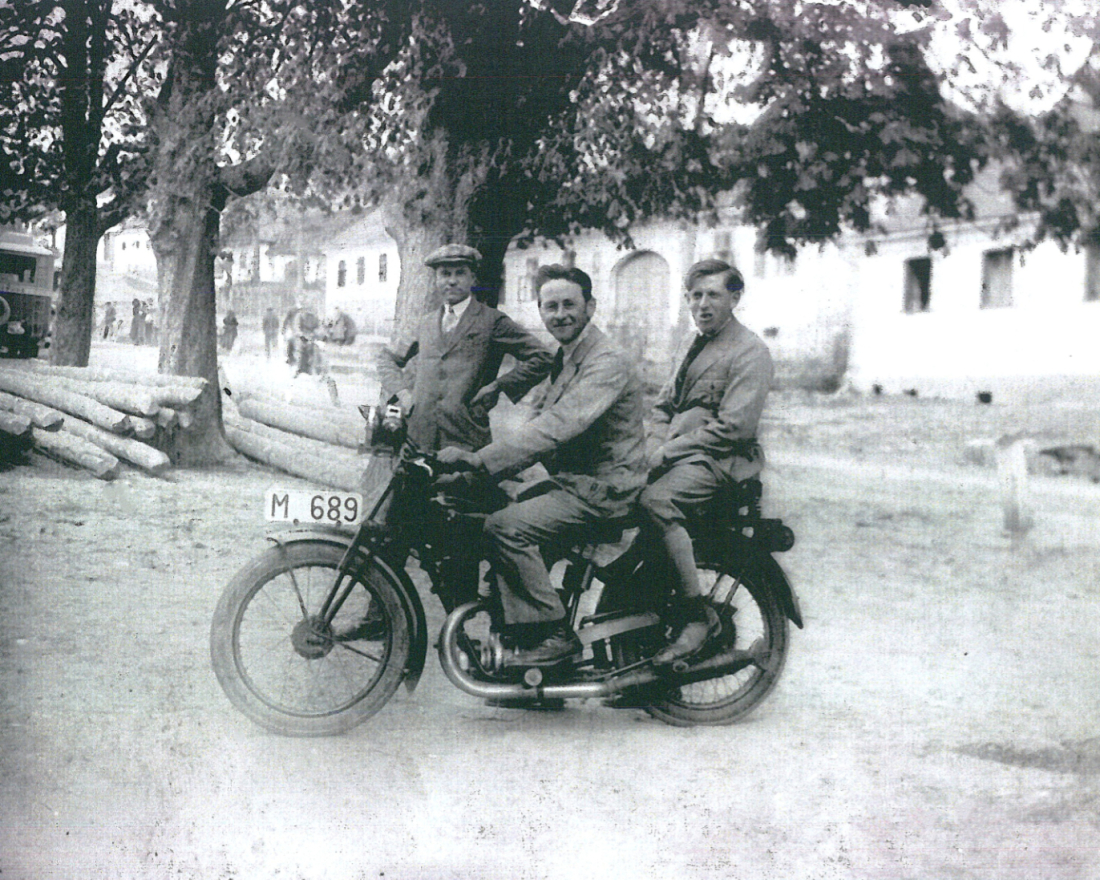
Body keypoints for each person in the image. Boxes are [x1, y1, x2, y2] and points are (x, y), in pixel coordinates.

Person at [438, 264, 647, 666]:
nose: (560, 314)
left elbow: (559, 425)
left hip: (604, 490)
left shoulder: (607, 361)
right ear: (540, 311)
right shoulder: (567, 357)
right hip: (574, 483)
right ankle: (512, 630)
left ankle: (553, 637)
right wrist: (477, 464)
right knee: (490, 508)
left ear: (590, 306)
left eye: (570, 304)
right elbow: (534, 424)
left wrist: (481, 461)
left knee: (505, 527)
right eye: (550, 306)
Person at [376, 243, 553, 609]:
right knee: (391, 532)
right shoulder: (425, 323)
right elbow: (386, 359)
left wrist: (499, 386)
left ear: (472, 277)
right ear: (436, 279)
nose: (451, 280)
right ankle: (378, 615)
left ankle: (462, 628)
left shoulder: (491, 321)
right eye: (444, 273)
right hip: (417, 444)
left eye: (459, 272)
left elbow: (542, 357)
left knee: (459, 540)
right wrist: (403, 394)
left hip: (465, 449)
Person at [637, 258, 774, 664]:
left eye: (712, 294)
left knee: (655, 501)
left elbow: (734, 428)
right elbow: (662, 406)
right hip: (682, 455)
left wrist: (667, 451)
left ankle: (697, 617)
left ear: (734, 297)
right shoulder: (692, 343)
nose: (702, 304)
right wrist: (652, 445)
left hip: (722, 463)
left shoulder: (751, 351)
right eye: (694, 296)